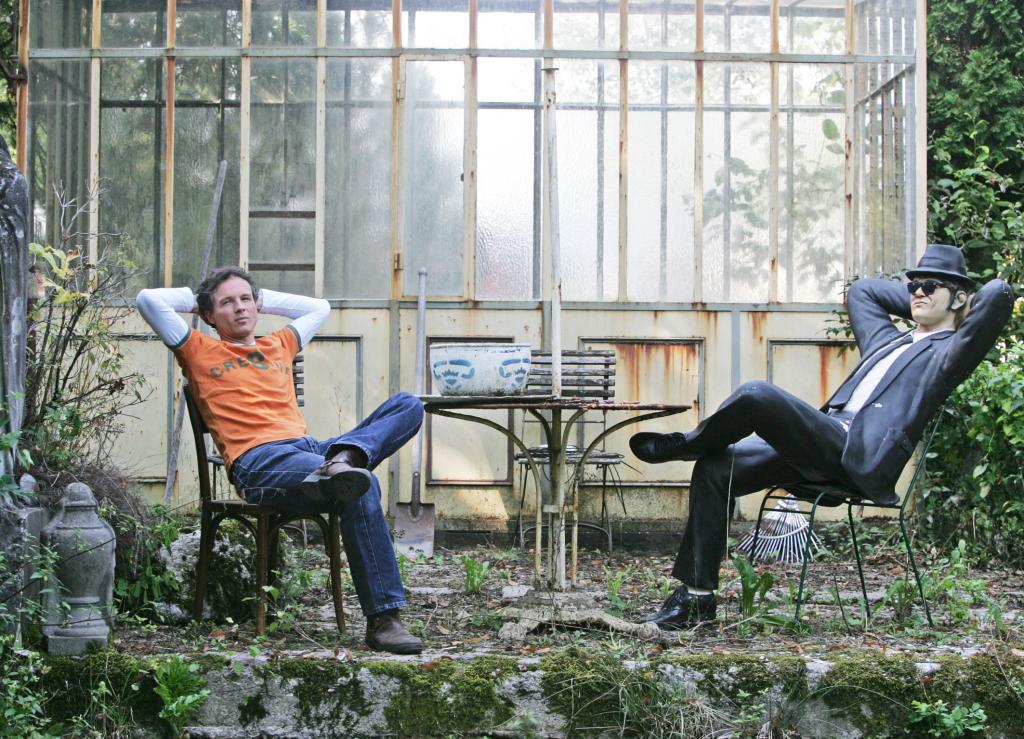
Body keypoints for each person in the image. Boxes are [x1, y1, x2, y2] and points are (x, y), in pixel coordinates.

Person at [628, 244, 1015, 629]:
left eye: (930, 287)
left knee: (756, 395)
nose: (917, 292)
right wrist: (928, 300)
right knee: (715, 469)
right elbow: (864, 291)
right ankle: (697, 600)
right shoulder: (887, 341)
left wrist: (957, 310)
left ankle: (691, 444)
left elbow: (998, 294)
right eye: (913, 285)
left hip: (855, 455)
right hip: (823, 441)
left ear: (959, 298)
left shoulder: (948, 355)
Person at [136, 266, 425, 654]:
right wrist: (200, 299)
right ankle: (384, 619)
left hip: (308, 450)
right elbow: (148, 300)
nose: (240, 308)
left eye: (246, 299)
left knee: (408, 405)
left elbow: (319, 307)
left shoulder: (279, 344)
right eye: (227, 303)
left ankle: (346, 458)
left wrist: (258, 298)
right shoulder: (196, 348)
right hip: (258, 461)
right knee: (363, 483)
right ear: (208, 314)